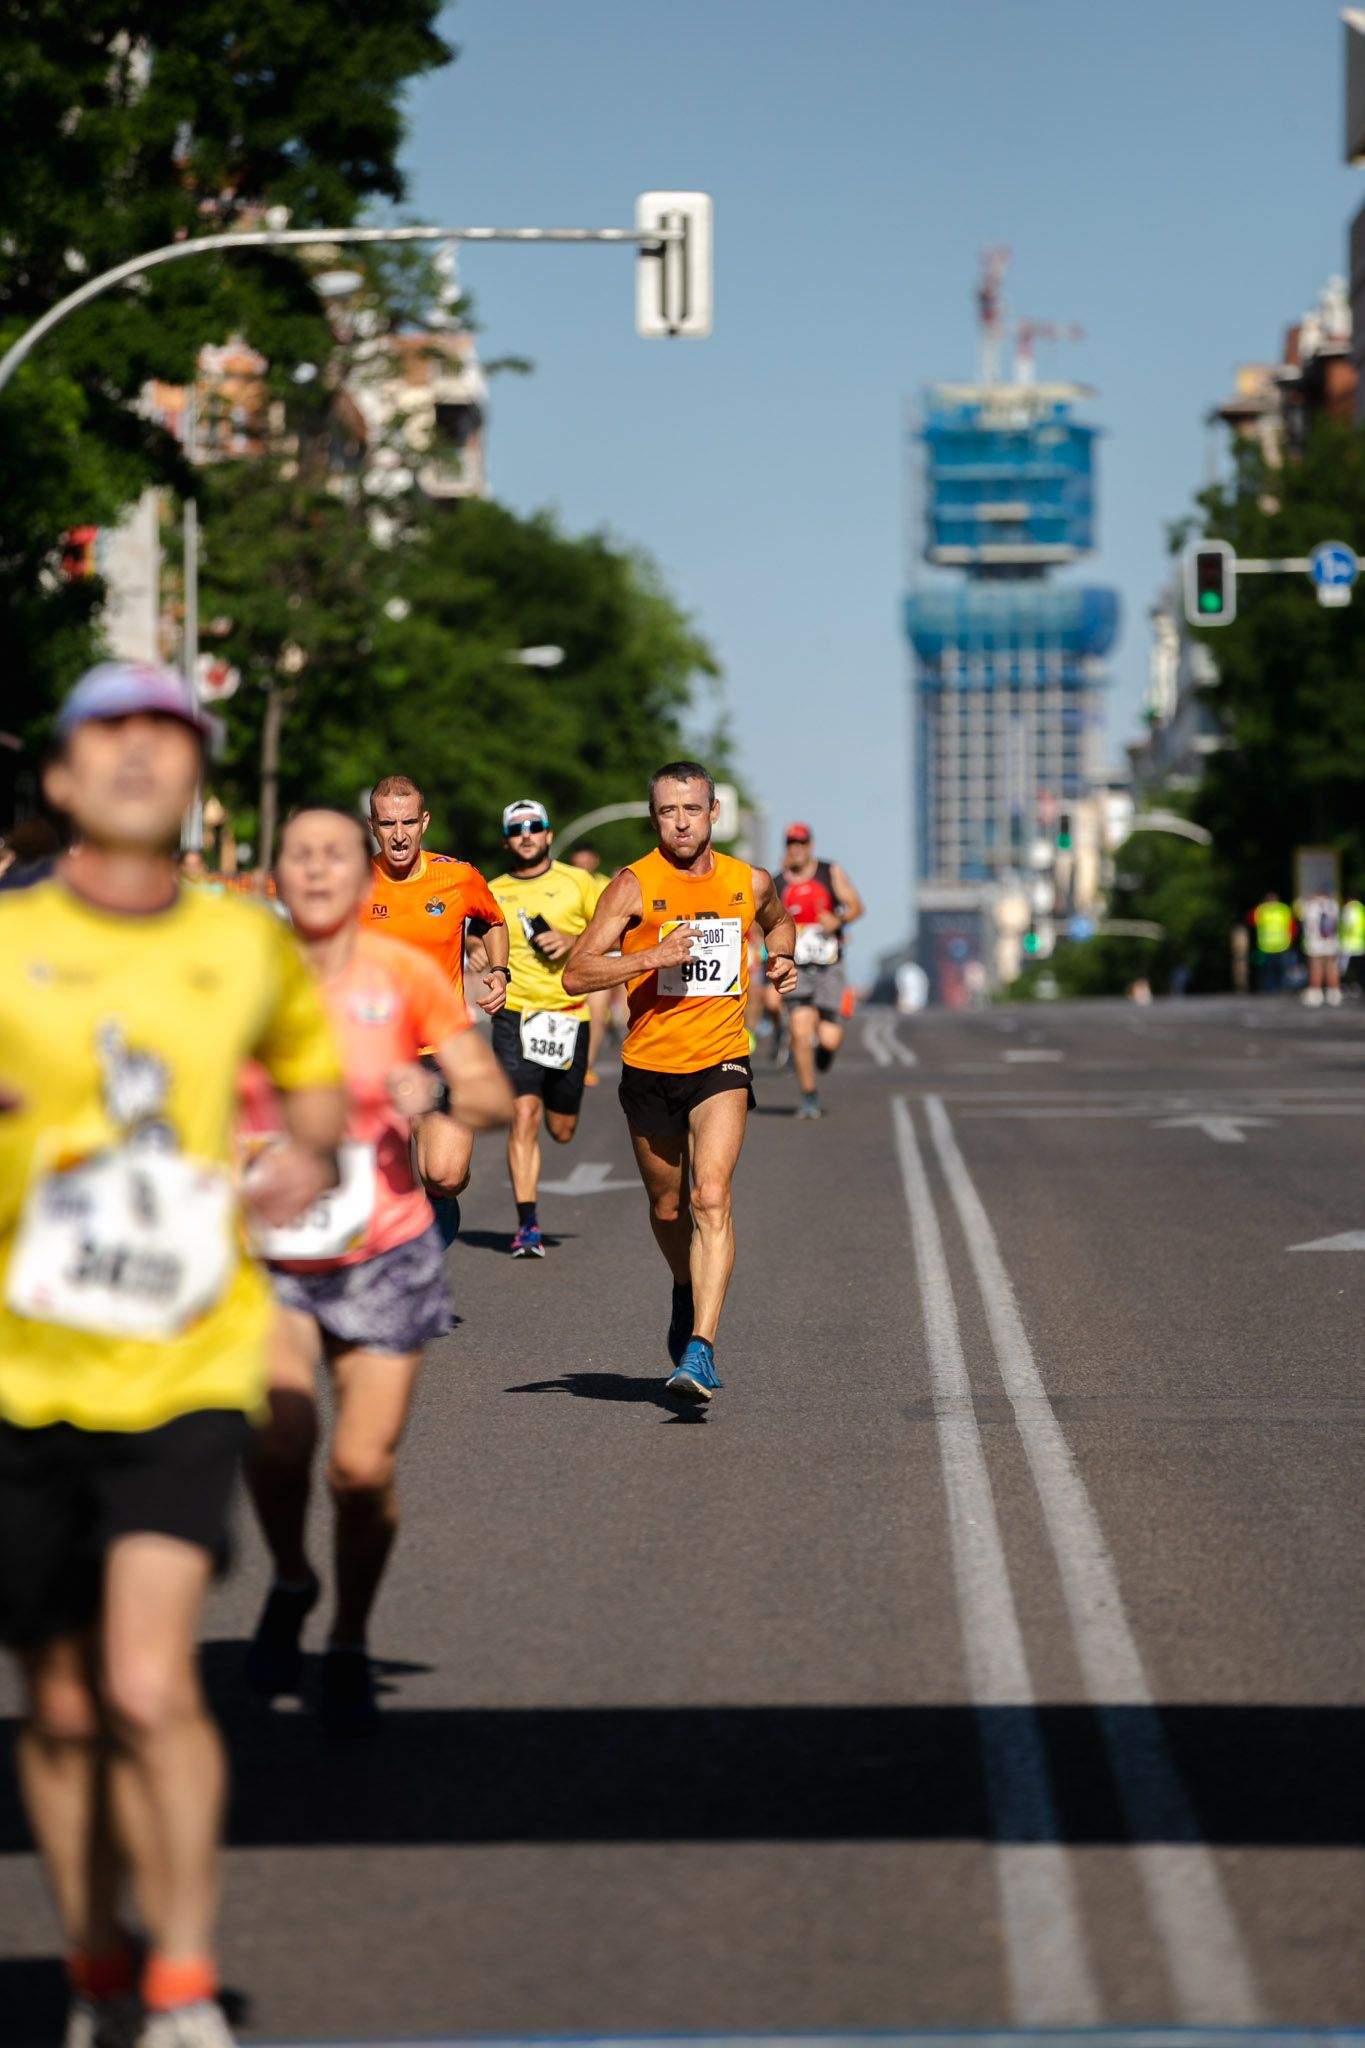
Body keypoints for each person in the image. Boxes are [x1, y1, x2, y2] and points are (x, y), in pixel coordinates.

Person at [0, 663, 345, 2048]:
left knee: (148, 1682)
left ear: (197, 781)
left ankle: (184, 1982)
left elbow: (314, 1091)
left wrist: (300, 1155)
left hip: (185, 1358)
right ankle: (94, 1958)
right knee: (68, 1708)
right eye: (112, 734)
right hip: (24, 1370)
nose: (143, 756)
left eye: (170, 737)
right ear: (65, 779)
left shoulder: (244, 946)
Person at [240, 806, 512, 1731]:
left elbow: (485, 1090)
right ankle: (289, 1575)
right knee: (278, 1441)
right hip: (271, 1253)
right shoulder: (237, 979)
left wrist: (433, 1088)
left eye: (334, 857)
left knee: (358, 1468)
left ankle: (349, 1633)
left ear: (362, 876)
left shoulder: (400, 973)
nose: (317, 871)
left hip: (385, 1246)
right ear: (276, 875)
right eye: (299, 855)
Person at [564, 761, 796, 1403]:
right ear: (654, 817)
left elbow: (778, 921)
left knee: (710, 1196)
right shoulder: (634, 885)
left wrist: (781, 958)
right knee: (667, 1208)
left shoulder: (748, 881)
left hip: (721, 1059)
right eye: (669, 810)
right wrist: (652, 957)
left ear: (714, 812)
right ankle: (682, 1284)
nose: (682, 821)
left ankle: (702, 1349)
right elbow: (576, 975)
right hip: (649, 1066)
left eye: (692, 808)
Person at [365, 774, 509, 1243]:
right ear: (373, 826)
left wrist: (499, 971)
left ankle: (433, 1209)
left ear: (424, 822)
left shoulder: (458, 877)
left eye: (408, 822)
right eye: (388, 824)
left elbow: (494, 921)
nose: (400, 834)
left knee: (444, 1175)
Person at [488, 801, 603, 1257]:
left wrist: (574, 940)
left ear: (550, 835)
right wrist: (479, 949)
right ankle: (527, 1225)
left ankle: (566, 1102)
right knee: (523, 1115)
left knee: (561, 1128)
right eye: (517, 830)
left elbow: (616, 929)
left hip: (568, 1013)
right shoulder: (492, 889)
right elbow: (474, 931)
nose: (527, 834)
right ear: (506, 841)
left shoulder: (580, 882)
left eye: (535, 827)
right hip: (514, 1013)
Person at [776, 822, 864, 1119]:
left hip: (828, 966)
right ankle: (809, 1096)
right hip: (797, 967)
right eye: (791, 843)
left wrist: (837, 921)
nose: (796, 848)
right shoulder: (777, 883)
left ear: (810, 845)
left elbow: (856, 907)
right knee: (800, 1032)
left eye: (801, 843)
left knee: (828, 1038)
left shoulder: (830, 872)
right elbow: (763, 925)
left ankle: (824, 1054)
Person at [566, 843, 617, 1083]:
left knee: (597, 1012)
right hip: (566, 959)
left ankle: (587, 1064)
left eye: (587, 861)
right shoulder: (562, 884)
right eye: (578, 862)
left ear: (595, 861)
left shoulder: (609, 886)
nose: (583, 866)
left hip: (600, 957)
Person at [1299, 888, 1342, 1007]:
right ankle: (1334, 993)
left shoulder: (1311, 906)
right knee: (1331, 966)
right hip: (1331, 941)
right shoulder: (1333, 905)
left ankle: (1315, 993)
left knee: (1315, 966)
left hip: (1315, 942)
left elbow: (1306, 921)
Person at [1250, 891, 1294, 994]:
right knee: (1268, 970)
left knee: (1281, 968)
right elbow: (1252, 922)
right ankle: (1269, 989)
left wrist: (1291, 939)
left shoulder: (1283, 909)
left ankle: (1281, 988)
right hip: (1266, 945)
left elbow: (1290, 925)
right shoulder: (1261, 910)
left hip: (1282, 944)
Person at [1338, 892, 1364, 994]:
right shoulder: (1361, 908)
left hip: (1348, 943)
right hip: (1360, 943)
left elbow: (1346, 926)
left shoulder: (1348, 909)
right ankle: (1358, 985)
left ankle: (1346, 985)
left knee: (1345, 967)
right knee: (1359, 967)